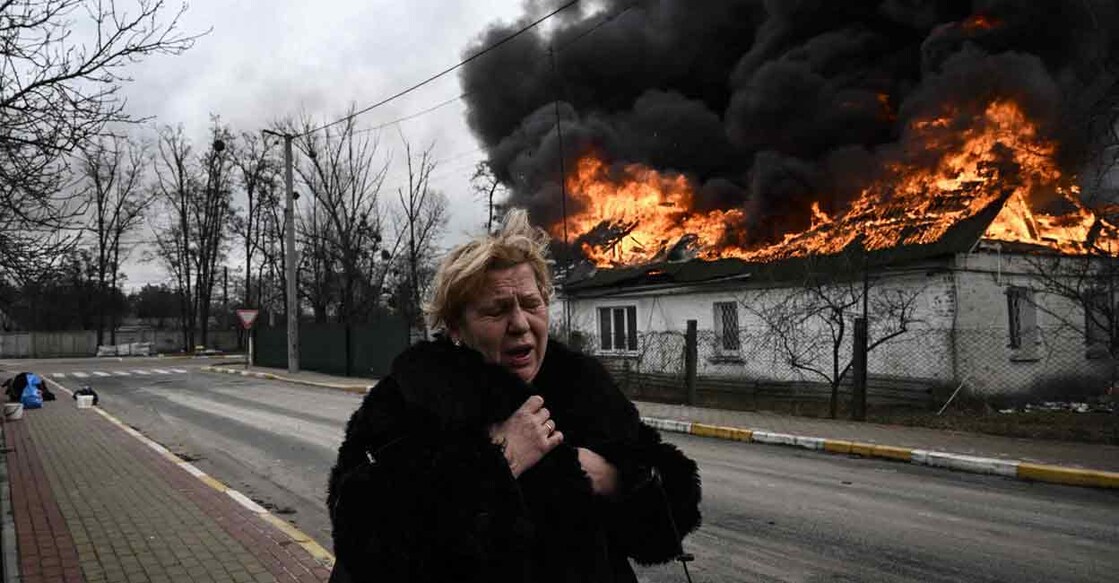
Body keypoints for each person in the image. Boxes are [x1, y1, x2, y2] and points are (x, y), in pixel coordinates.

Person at [327, 210, 702, 582]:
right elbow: (363, 541)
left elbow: (667, 523)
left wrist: (618, 479)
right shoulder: (413, 397)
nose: (520, 324)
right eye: (497, 310)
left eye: (531, 303)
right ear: (456, 326)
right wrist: (501, 460)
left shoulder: (584, 388)